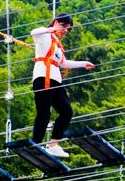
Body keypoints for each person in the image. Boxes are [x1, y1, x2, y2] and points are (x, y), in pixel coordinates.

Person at [31, 14, 94, 158]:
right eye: (64, 26)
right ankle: (35, 144)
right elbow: (33, 32)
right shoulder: (45, 36)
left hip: (56, 80)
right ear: (56, 22)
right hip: (43, 77)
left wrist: (83, 64)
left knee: (66, 111)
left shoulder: (58, 45)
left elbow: (64, 63)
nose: (65, 31)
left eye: (68, 29)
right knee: (44, 113)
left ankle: (53, 144)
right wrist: (50, 29)